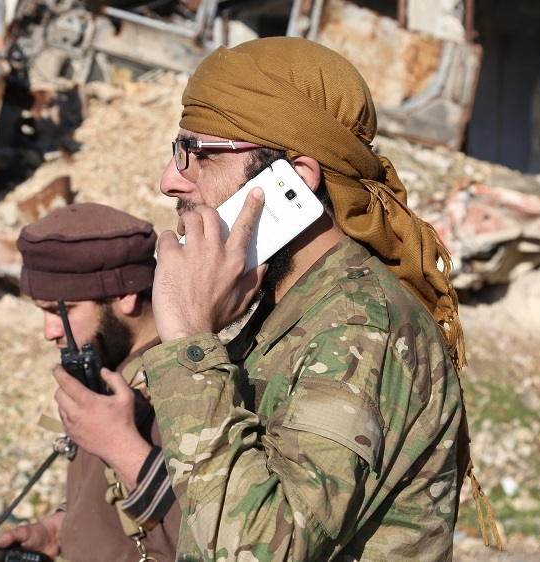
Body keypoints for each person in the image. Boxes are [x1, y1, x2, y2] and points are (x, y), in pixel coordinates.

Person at [143, 36, 499, 561]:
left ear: (296, 179)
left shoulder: (359, 329)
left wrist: (190, 345)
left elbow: (264, 550)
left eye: (197, 154)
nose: (170, 180)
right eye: (178, 151)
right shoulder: (282, 306)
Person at [0, 202, 180, 562]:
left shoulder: (188, 386)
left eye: (60, 311)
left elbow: (215, 536)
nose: (49, 332)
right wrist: (61, 530)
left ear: (124, 295)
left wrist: (122, 447)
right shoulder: (111, 370)